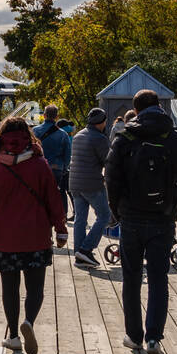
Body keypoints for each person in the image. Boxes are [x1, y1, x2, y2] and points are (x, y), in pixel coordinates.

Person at [105, 89, 177, 354]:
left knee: (131, 277)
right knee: (158, 278)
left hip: (131, 218)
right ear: (158, 106)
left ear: (136, 108)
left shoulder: (125, 137)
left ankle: (134, 336)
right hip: (162, 219)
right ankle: (154, 336)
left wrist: (117, 211)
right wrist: (173, 211)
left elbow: (111, 178)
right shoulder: (175, 138)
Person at [0, 118, 67, 354]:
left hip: (5, 239)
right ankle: (29, 322)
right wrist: (61, 229)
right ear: (28, 137)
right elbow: (53, 200)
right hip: (36, 236)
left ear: (2, 137)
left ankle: (13, 336)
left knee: (9, 288)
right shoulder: (40, 164)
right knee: (36, 288)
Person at [68, 108, 111, 268]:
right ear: (102, 122)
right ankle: (86, 249)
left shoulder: (79, 135)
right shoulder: (99, 138)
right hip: (91, 183)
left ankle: (79, 255)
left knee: (80, 219)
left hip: (74, 183)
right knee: (104, 216)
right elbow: (109, 161)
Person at [33, 104, 73, 220]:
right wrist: (64, 168)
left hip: (39, 169)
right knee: (56, 194)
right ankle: (59, 218)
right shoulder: (63, 134)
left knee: (40, 196)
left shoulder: (35, 131)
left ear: (44, 115)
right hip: (57, 168)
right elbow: (67, 155)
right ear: (57, 116)